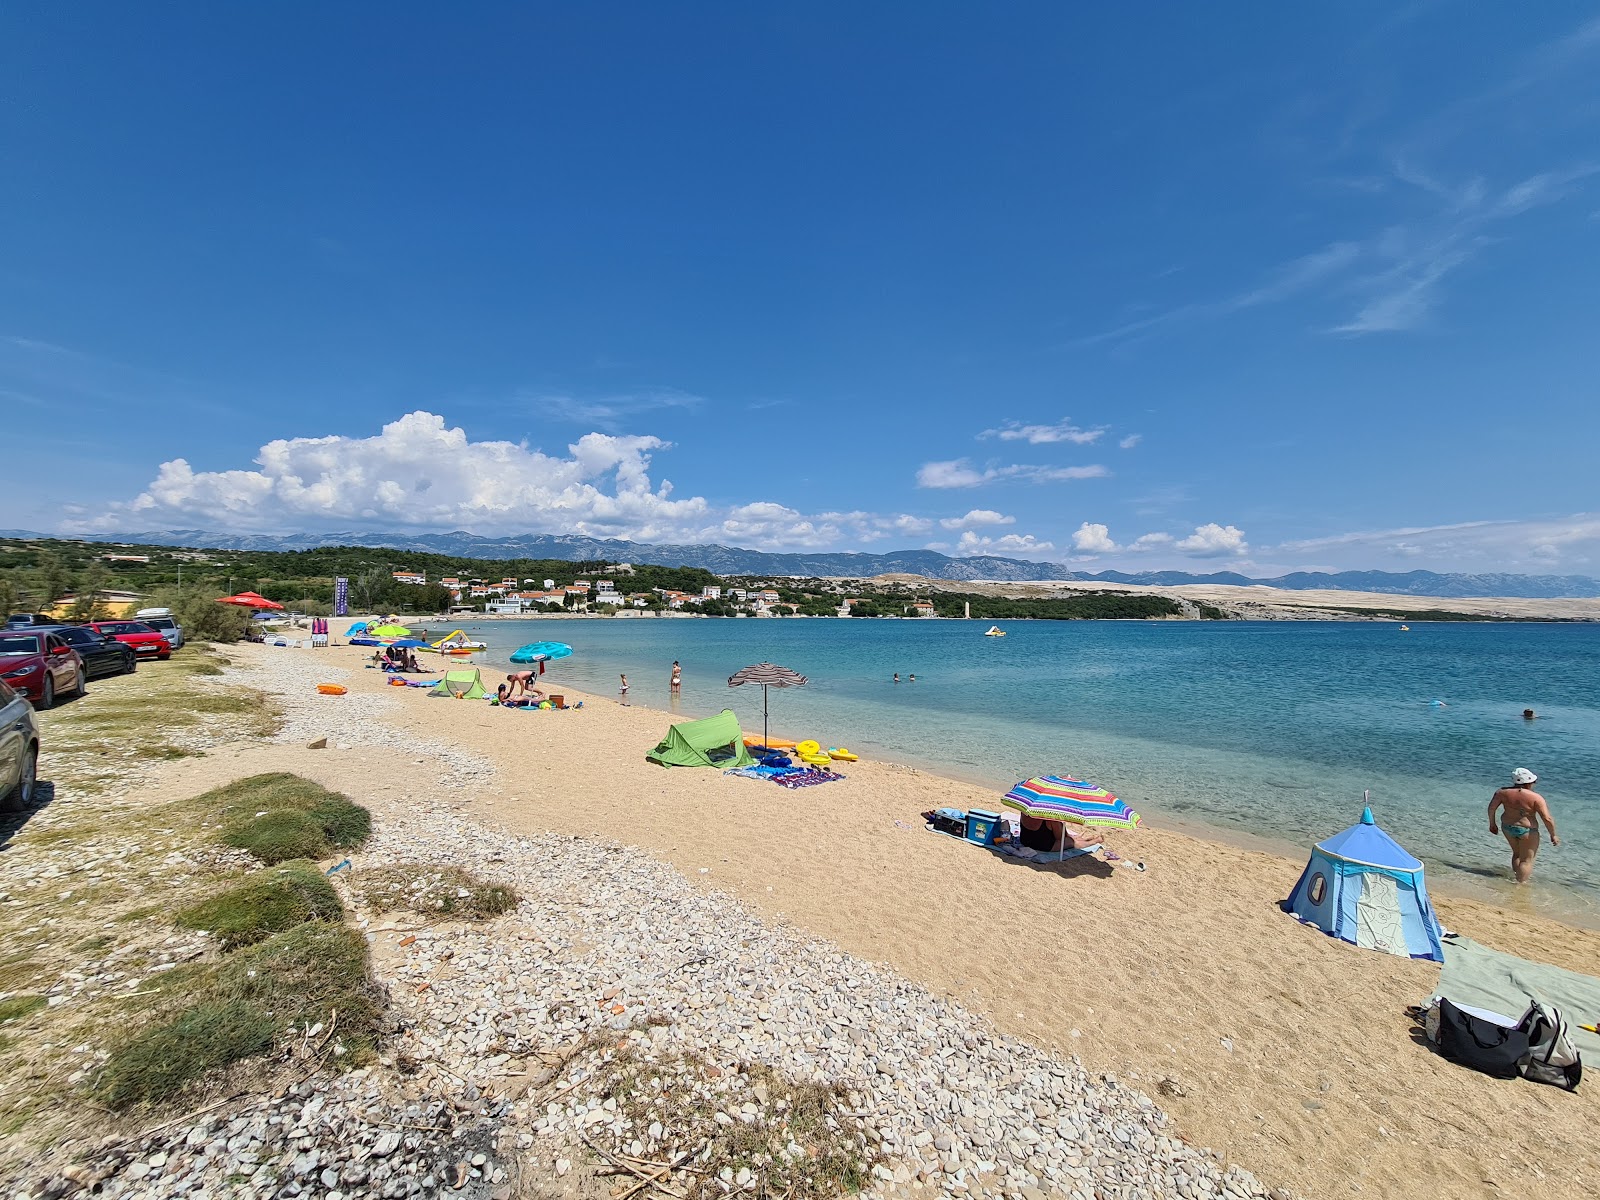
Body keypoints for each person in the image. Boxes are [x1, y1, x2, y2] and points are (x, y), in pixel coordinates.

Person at [1488, 767, 1559, 884]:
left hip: (1507, 827)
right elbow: (1547, 818)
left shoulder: (1502, 792)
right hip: (1527, 830)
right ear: (1529, 782)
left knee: (1517, 854)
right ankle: (1520, 885)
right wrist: (1553, 835)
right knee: (1526, 860)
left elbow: (1491, 808)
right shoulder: (1535, 797)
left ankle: (1516, 878)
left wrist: (1492, 824)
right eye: (1533, 782)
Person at [1018, 814, 1103, 854]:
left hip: (1024, 840)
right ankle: (1093, 841)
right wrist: (1060, 823)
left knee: (1068, 837)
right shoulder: (1051, 818)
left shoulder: (1025, 810)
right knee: (1071, 842)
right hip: (1042, 846)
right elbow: (1059, 838)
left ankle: (1074, 837)